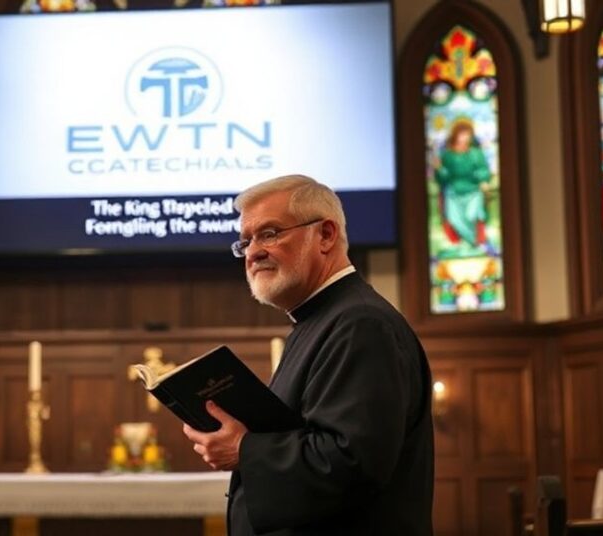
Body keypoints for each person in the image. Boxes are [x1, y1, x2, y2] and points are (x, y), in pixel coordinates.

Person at [183, 175, 433, 535]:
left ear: (326, 235)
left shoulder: (360, 324)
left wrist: (243, 449)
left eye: (269, 233)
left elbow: (352, 461)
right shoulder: (321, 320)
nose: (253, 252)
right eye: (245, 242)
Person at [433, 119, 492, 251]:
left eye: (468, 134)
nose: (465, 137)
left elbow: (483, 170)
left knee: (472, 215)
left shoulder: (475, 154)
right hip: (454, 193)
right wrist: (439, 169)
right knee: (454, 219)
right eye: (462, 134)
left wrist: (482, 180)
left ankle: (476, 243)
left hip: (473, 192)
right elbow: (444, 177)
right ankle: (462, 243)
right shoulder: (448, 155)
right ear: (455, 135)